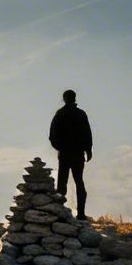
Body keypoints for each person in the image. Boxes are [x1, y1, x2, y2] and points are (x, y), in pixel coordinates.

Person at [48, 88, 93, 218]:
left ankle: (59, 212)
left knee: (62, 182)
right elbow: (87, 134)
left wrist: (60, 148)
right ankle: (81, 214)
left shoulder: (60, 114)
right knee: (79, 181)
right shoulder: (80, 114)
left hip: (65, 153)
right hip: (78, 153)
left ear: (64, 99)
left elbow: (52, 135)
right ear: (74, 98)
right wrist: (88, 149)